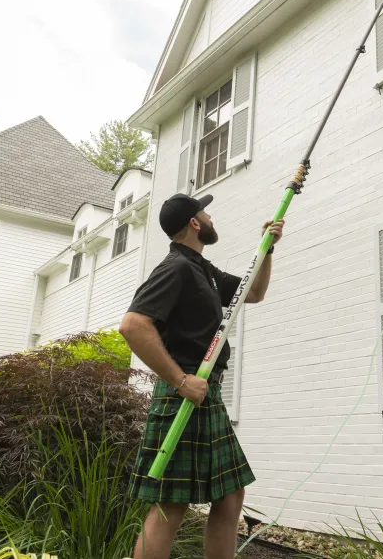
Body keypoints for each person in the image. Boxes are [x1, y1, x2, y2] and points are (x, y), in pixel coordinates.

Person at [119, 192, 284, 559]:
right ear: (195, 222)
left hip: (206, 393)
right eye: (205, 212)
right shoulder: (175, 268)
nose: (211, 217)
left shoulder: (203, 270)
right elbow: (133, 326)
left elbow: (252, 293)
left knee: (229, 494)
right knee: (169, 505)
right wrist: (180, 380)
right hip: (183, 393)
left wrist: (267, 248)